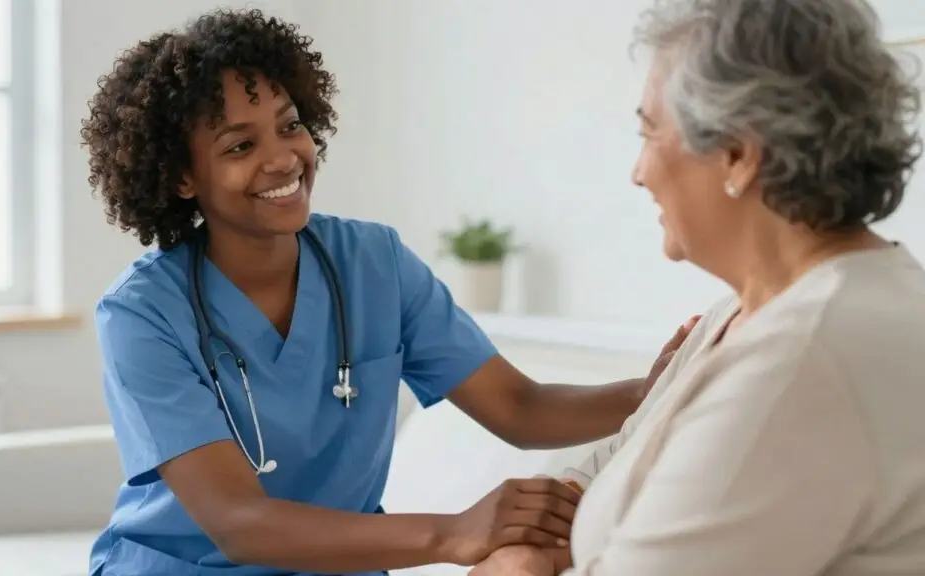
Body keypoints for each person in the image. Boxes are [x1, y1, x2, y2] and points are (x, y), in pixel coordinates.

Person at [79, 9, 692, 576]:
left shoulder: (374, 263)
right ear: (181, 177)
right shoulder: (141, 314)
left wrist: (651, 393)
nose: (283, 158)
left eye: (290, 126)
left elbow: (519, 407)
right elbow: (239, 523)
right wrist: (453, 533)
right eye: (241, 146)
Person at [471, 0, 925, 574]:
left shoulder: (804, 359)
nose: (638, 173)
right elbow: (607, 473)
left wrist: (519, 567)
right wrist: (531, 549)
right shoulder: (736, 317)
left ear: (738, 154)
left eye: (649, 132)